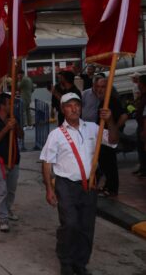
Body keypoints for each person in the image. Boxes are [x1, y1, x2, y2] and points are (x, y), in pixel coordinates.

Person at [40, 93, 118, 275]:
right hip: (66, 185)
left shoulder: (93, 128)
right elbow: (47, 163)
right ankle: (66, 261)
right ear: (63, 109)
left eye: (77, 105)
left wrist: (110, 120)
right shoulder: (56, 135)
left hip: (89, 185)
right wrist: (49, 189)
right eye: (69, 105)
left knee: (86, 226)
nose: (74, 109)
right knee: (70, 224)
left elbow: (113, 140)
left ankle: (80, 263)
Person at [0, 94, 24, 232]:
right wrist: (6, 128)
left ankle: (7, 210)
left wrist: (16, 125)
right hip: (0, 161)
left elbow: (21, 136)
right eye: (9, 103)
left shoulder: (14, 117)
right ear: (2, 105)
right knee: (2, 191)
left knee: (11, 190)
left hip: (14, 159)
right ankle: (2, 217)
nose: (12, 106)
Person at [83, 77, 126, 197]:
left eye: (103, 87)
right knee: (104, 163)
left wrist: (114, 129)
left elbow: (124, 116)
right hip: (102, 138)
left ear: (108, 88)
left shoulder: (111, 101)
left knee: (109, 163)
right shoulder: (102, 101)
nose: (99, 89)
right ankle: (107, 186)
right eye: (97, 86)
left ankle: (111, 189)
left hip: (108, 139)